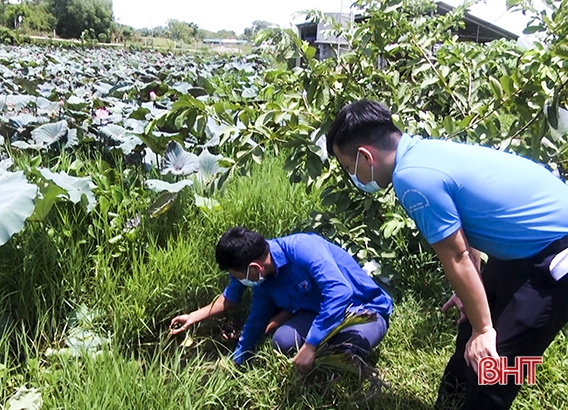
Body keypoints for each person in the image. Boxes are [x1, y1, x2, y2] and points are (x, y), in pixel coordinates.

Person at [326, 99, 568, 409]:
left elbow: (455, 257)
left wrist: (485, 328)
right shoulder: (423, 151)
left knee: (495, 367)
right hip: (524, 246)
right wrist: (471, 296)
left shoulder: (412, 178)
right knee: (470, 329)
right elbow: (469, 223)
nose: (352, 175)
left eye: (348, 167)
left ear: (365, 155)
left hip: (555, 255)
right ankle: (451, 402)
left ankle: (513, 375)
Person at [214, 227, 393, 373]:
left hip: (363, 308)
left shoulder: (303, 247)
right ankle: (325, 338)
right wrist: (238, 359)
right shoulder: (264, 280)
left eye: (239, 276)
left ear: (255, 267)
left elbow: (339, 292)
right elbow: (257, 319)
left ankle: (338, 344)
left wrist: (310, 345)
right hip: (317, 311)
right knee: (282, 341)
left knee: (344, 354)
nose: (239, 281)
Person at [169, 277, 293, 339]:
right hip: (275, 306)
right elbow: (228, 298)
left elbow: (291, 308)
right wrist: (192, 317)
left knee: (282, 341)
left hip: (299, 307)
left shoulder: (279, 272)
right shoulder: (240, 270)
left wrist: (257, 332)